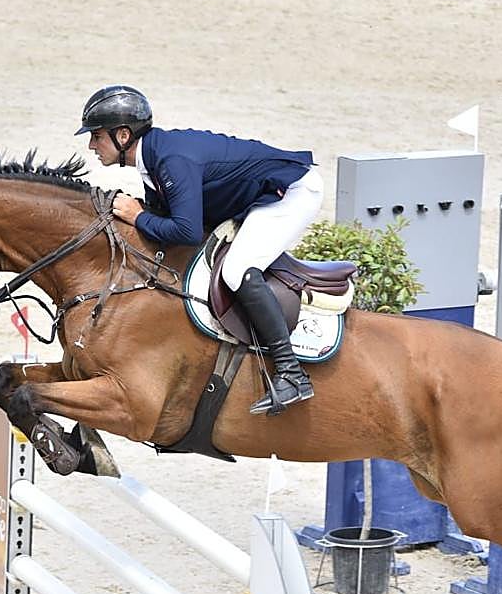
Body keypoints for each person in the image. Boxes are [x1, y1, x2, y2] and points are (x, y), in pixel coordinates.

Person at [75, 85, 323, 416]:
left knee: (236, 271)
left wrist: (138, 217)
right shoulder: (153, 160)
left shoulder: (171, 161)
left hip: (292, 192)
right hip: (253, 198)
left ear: (123, 135)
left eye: (96, 136)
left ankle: (291, 373)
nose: (92, 145)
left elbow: (187, 231)